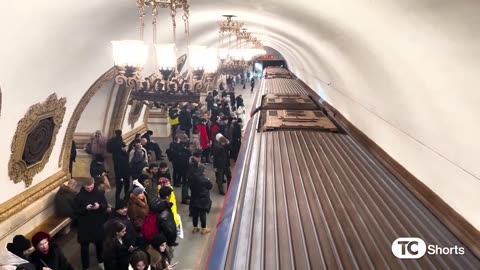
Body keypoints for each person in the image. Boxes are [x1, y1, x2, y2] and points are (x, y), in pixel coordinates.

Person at [74, 178, 108, 270]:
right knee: (84, 248)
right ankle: (85, 267)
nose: (89, 189)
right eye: (87, 188)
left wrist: (99, 206)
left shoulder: (99, 194)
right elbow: (76, 211)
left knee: (99, 245)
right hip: (84, 226)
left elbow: (105, 206)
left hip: (97, 224)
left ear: (93, 184)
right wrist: (86, 209)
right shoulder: (79, 196)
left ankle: (101, 261)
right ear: (84, 186)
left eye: (91, 187)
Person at [190, 164, 212, 235]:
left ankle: (195, 227)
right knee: (202, 214)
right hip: (202, 199)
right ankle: (204, 229)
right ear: (202, 171)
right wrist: (208, 180)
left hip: (194, 198)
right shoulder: (204, 179)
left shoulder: (192, 177)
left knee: (195, 214)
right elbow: (210, 186)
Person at [114, 142, 131, 208]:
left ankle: (126, 198)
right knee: (119, 188)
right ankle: (117, 200)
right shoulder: (117, 155)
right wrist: (120, 177)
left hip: (126, 174)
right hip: (120, 175)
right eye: (123, 147)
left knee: (127, 187)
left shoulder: (125, 153)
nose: (125, 148)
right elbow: (117, 167)